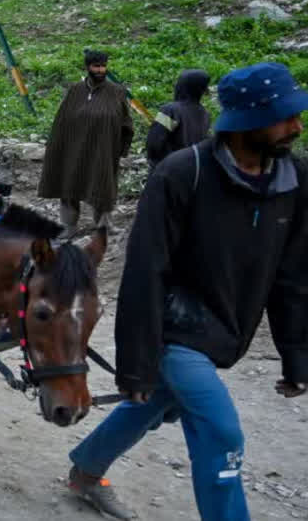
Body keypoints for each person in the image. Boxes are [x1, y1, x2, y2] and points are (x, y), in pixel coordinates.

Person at [66, 62, 308, 521]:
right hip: (174, 330)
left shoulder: (293, 180)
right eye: (285, 116)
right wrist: (134, 366)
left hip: (227, 330)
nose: (297, 126)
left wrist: (297, 356)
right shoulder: (181, 174)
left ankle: (87, 467)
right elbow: (144, 272)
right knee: (221, 435)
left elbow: (293, 277)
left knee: (158, 400)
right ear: (248, 120)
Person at [38, 49, 134, 237]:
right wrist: (59, 149)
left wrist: (122, 149)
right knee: (69, 182)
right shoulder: (75, 91)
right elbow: (62, 122)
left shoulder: (116, 92)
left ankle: (104, 225)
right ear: (87, 67)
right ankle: (68, 226)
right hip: (74, 149)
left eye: (103, 66)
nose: (100, 70)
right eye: (96, 66)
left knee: (103, 186)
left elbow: (126, 122)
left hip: (103, 150)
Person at [146, 69, 212, 169]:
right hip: (191, 170)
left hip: (168, 168)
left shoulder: (170, 110)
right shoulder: (205, 114)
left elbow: (154, 141)